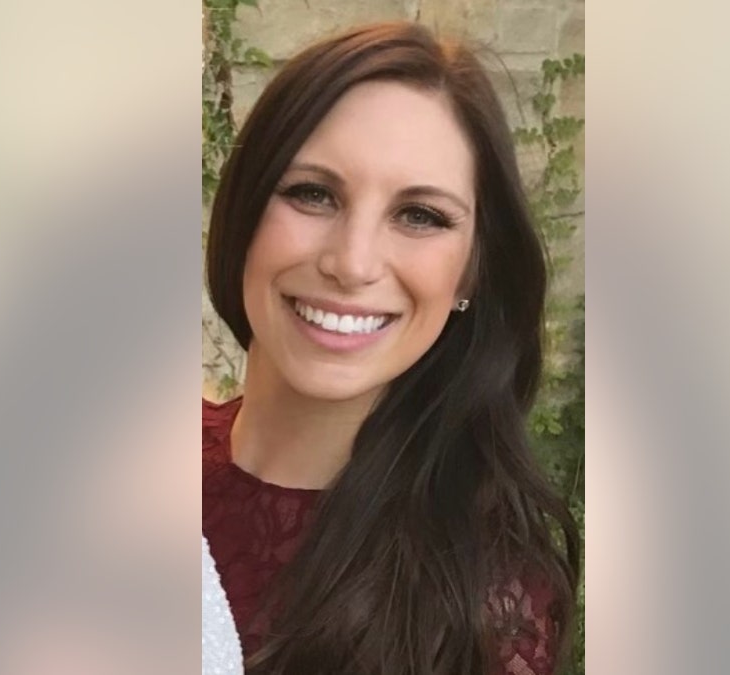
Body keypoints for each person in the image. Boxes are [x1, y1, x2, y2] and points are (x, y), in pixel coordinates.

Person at [202, 21, 581, 675]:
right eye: (312, 193)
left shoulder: (485, 600)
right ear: (243, 210)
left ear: (470, 271)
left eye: (420, 215)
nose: (352, 263)